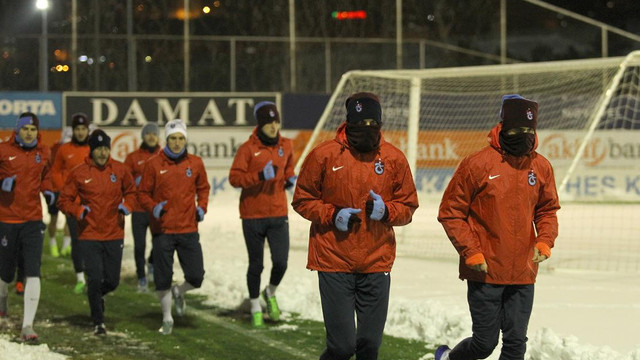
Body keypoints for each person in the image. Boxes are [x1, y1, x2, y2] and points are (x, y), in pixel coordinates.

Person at [292, 92, 419, 359]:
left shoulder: (394, 159)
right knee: (342, 347)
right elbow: (302, 199)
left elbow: (408, 206)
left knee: (370, 345)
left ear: (381, 125)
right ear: (348, 124)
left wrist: (387, 211)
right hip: (333, 261)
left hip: (376, 261)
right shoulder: (323, 155)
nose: (367, 131)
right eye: (360, 125)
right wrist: (332, 214)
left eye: (373, 125)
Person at [435, 95, 560, 360]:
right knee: (484, 343)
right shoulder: (477, 164)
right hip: (484, 270)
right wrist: (471, 252)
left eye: (529, 131)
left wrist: (545, 241)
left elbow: (547, 210)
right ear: (503, 127)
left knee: (516, 344)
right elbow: (451, 212)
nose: (523, 136)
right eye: (517, 130)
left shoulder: (541, 166)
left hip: (524, 272)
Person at [58, 130, 135, 335]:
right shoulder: (79, 172)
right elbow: (63, 200)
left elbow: (132, 192)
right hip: (89, 234)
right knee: (93, 278)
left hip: (114, 233)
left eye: (105, 148)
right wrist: (78, 210)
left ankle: (97, 295)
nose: (102, 152)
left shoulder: (119, 170)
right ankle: (98, 322)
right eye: (98, 148)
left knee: (112, 280)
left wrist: (127, 205)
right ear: (91, 150)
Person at [138, 119, 210, 335]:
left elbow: (204, 188)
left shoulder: (195, 163)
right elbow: (142, 194)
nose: (177, 143)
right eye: (173, 138)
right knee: (162, 278)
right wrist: (153, 208)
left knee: (196, 276)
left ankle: (179, 291)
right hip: (163, 230)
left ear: (185, 139)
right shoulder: (153, 164)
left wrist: (202, 207)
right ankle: (167, 317)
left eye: (180, 138)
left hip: (188, 228)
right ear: (166, 140)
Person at [229, 102, 297, 328]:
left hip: (278, 213)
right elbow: (235, 179)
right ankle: (256, 305)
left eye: (276, 121)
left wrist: (290, 180)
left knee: (281, 262)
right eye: (269, 122)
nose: (274, 126)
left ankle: (270, 291)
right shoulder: (247, 149)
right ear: (260, 124)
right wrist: (259, 175)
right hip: (252, 215)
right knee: (256, 264)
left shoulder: (286, 145)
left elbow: (289, 169)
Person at [0, 112, 55, 341]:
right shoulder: (3, 150)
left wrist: (49, 190)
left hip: (33, 220)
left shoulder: (44, 152)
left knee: (33, 270)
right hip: (6, 219)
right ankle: (3, 299)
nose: (29, 133)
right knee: (4, 273)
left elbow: (45, 177)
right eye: (25, 129)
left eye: (33, 129)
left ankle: (27, 326)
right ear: (17, 130)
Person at [51, 113, 91, 294]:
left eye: (83, 129)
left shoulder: (94, 148)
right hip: (72, 205)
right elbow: (55, 171)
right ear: (73, 130)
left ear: (88, 130)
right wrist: (63, 191)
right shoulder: (64, 149)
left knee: (93, 240)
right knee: (77, 239)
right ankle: (80, 278)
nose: (81, 132)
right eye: (77, 129)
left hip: (93, 204)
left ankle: (94, 274)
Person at [124, 122, 161, 292]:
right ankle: (141, 277)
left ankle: (152, 262)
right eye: (148, 134)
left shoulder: (163, 155)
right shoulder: (132, 157)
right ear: (143, 136)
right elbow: (125, 181)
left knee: (159, 243)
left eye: (154, 133)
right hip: (138, 209)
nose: (151, 136)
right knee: (139, 245)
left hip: (156, 208)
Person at [47, 126, 73, 258]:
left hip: (68, 190)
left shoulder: (75, 149)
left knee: (69, 218)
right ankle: (52, 243)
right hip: (55, 189)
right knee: (53, 218)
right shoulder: (55, 149)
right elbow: (49, 169)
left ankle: (66, 245)